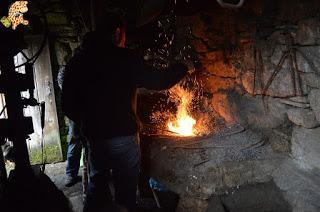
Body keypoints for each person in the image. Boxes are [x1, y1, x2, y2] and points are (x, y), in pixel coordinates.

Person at [62, 10, 191, 212]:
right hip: (124, 137)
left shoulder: (77, 61)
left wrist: (86, 123)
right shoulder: (126, 58)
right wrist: (183, 68)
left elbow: (67, 105)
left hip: (96, 137)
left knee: (97, 186)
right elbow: (159, 81)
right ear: (117, 32)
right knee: (126, 190)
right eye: (124, 35)